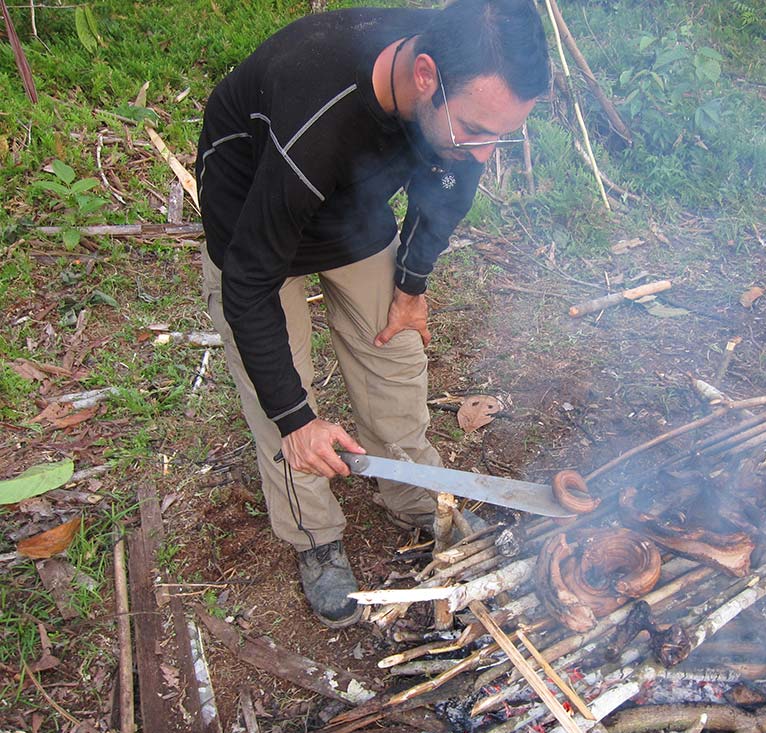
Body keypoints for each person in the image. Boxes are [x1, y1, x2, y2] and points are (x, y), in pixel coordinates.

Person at [195, 0, 550, 628]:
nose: (486, 154)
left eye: (502, 134)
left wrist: (411, 284)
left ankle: (414, 494)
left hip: (350, 211)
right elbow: (247, 283)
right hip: (255, 207)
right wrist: (296, 417)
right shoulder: (317, 115)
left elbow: (449, 184)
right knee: (281, 401)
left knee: (394, 354)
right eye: (476, 128)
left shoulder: (456, 88)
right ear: (425, 78)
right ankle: (314, 537)